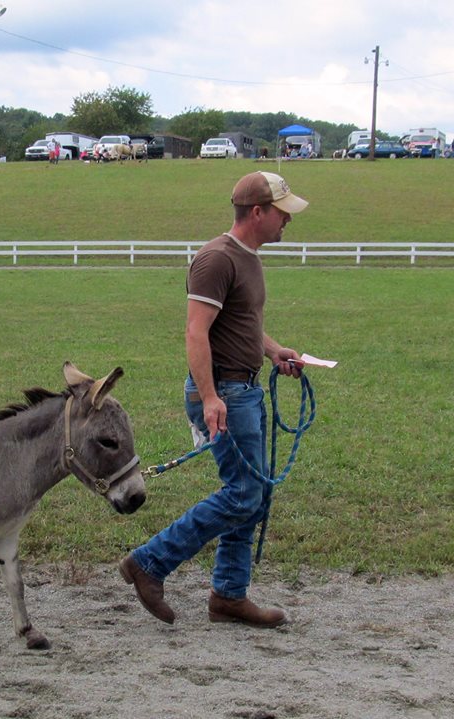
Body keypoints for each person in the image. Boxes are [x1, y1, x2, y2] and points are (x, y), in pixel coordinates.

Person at [120, 171, 308, 627]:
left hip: (244, 388)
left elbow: (240, 322)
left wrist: (273, 350)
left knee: (254, 494)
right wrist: (209, 397)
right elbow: (196, 331)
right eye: (282, 212)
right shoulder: (216, 259)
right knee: (244, 494)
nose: (288, 221)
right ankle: (149, 561)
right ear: (258, 212)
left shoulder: (249, 258)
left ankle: (228, 595)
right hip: (225, 392)